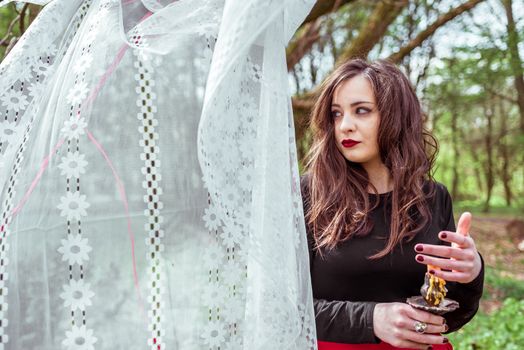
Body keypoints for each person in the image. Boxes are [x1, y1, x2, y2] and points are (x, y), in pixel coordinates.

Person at [300, 59, 484, 350]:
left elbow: (452, 315)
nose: (345, 126)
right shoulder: (309, 193)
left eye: (361, 111)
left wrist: (471, 273)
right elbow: (280, 307)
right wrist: (371, 319)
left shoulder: (434, 197)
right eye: (337, 114)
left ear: (396, 115)